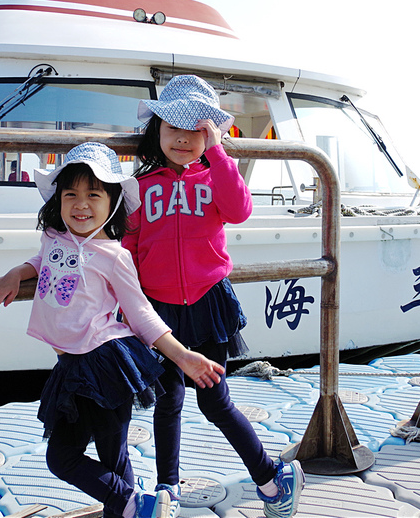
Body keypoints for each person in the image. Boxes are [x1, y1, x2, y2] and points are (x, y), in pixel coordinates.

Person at [0, 141, 226, 518]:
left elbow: (141, 314)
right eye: (70, 194)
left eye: (94, 195)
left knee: (109, 459)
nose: (81, 204)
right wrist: (17, 273)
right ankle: (137, 506)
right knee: (64, 458)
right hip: (70, 367)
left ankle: (134, 506)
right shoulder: (53, 238)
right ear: (57, 201)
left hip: (107, 365)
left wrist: (182, 355)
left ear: (111, 206)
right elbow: (43, 259)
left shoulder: (115, 255)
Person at [124, 75, 303, 518]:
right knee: (168, 401)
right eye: (173, 129)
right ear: (156, 132)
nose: (183, 140)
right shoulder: (140, 188)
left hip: (209, 306)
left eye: (196, 131)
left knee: (215, 401)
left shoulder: (214, 174)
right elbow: (127, 248)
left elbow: (240, 210)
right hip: (159, 312)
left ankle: (270, 480)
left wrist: (219, 151)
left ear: (210, 135)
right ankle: (167, 489)